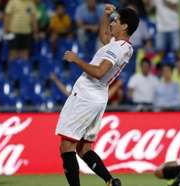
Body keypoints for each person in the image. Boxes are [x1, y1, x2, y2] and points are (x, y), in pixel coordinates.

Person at [55, 4, 139, 186]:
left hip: (87, 94)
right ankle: (110, 181)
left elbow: (100, 71)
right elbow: (104, 37)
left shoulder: (117, 49)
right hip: (98, 96)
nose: (112, 23)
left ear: (124, 26)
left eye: (116, 20)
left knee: (66, 146)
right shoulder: (124, 47)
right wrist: (105, 16)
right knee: (84, 148)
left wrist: (76, 59)